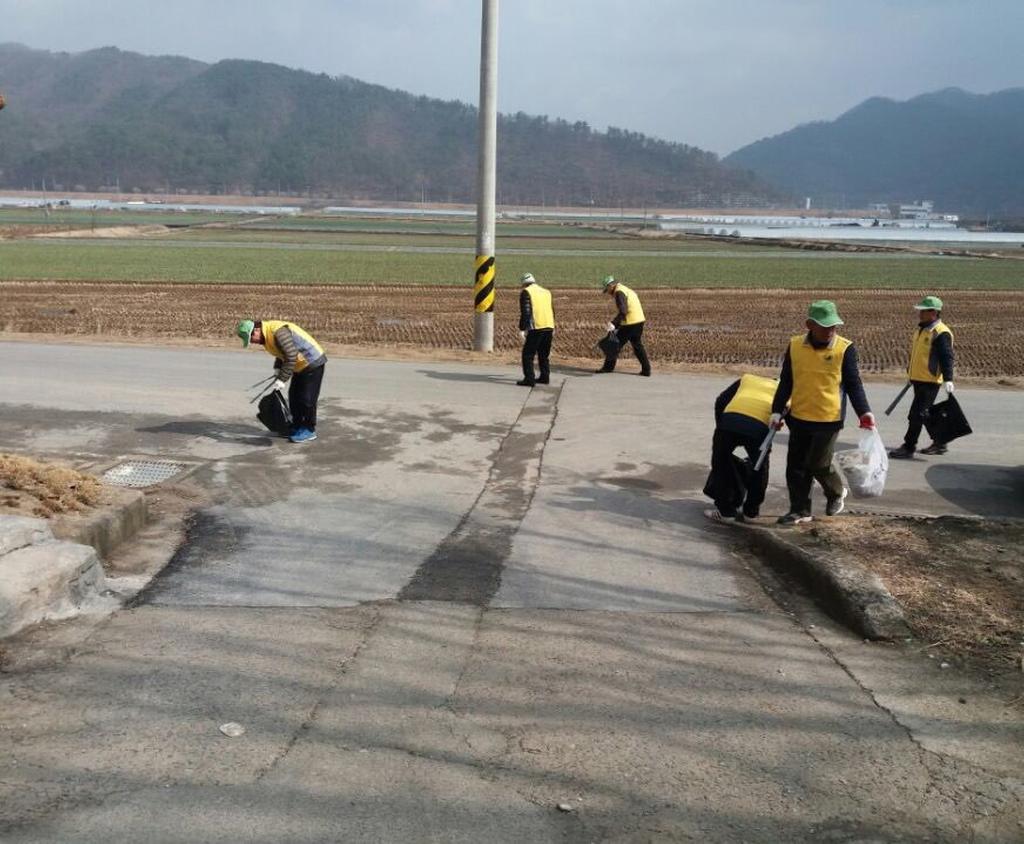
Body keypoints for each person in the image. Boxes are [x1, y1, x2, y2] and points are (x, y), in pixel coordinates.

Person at [770, 300, 875, 525]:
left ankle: (836, 492)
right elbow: (786, 381)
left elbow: (854, 384)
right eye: (825, 326)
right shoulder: (795, 346)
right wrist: (776, 411)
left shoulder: (844, 348)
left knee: (818, 464)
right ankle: (800, 510)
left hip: (829, 418)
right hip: (798, 416)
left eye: (833, 326)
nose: (830, 331)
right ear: (809, 324)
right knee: (796, 468)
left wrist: (864, 412)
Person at [704, 373, 780, 523]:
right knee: (760, 468)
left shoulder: (747, 379)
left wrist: (721, 426)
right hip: (759, 429)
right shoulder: (785, 390)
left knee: (721, 463)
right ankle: (751, 512)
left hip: (730, 422)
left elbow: (721, 400)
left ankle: (726, 512)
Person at [237, 318, 327, 443]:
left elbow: (290, 356)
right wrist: (278, 368)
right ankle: (296, 426)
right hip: (299, 365)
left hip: (312, 362)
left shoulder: (278, 332)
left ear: (256, 330)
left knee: (307, 398)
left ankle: (308, 429)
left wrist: (282, 380)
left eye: (251, 338)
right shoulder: (267, 336)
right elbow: (281, 353)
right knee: (294, 396)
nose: (252, 342)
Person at [888, 295, 955, 458]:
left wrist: (948, 379)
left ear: (934, 312)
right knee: (925, 413)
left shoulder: (940, 333)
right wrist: (911, 372)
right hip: (919, 379)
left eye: (923, 311)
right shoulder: (922, 330)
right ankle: (940, 443)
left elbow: (947, 357)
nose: (920, 314)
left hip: (930, 381)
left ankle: (909, 446)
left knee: (916, 414)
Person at [597, 275, 651, 376]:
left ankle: (608, 368)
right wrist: (617, 324)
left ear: (611, 286)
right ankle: (646, 369)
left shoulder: (619, 292)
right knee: (637, 345)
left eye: (607, 289)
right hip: (639, 321)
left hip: (630, 323)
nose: (607, 293)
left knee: (613, 345)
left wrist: (614, 323)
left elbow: (623, 311)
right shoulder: (625, 289)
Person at [517, 272, 555, 387]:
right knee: (544, 354)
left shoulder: (526, 292)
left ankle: (529, 379)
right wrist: (553, 325)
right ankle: (545, 377)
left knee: (528, 354)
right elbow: (552, 310)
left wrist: (522, 328)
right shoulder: (546, 292)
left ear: (524, 284)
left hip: (536, 327)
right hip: (549, 326)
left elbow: (526, 312)